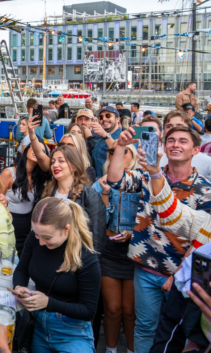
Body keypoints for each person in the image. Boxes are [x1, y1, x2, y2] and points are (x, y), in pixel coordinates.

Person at [109, 125, 211, 353]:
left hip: (184, 277)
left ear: (196, 150)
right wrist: (120, 147)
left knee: (181, 333)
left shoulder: (206, 190)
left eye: (183, 141)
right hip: (146, 269)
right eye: (171, 140)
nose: (176, 144)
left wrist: (176, 276)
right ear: (164, 147)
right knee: (145, 328)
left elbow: (205, 239)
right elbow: (115, 180)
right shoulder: (146, 176)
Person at [13, 198, 101, 353]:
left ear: (66, 229)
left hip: (72, 332)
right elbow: (22, 270)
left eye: (47, 238)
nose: (40, 242)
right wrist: (19, 287)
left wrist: (48, 303)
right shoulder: (36, 237)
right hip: (38, 326)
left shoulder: (86, 257)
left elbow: (88, 311)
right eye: (37, 234)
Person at [93, 143, 138, 353]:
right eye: (111, 152)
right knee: (112, 309)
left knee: (130, 311)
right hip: (109, 251)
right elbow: (99, 220)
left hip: (134, 253)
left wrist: (133, 231)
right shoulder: (99, 183)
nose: (116, 154)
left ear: (133, 154)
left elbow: (149, 218)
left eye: (122, 150)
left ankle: (131, 350)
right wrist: (105, 193)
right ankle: (110, 350)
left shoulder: (142, 181)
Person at [1, 116, 51, 255]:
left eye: (41, 150)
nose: (36, 151)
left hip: (28, 228)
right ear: (26, 150)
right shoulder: (9, 173)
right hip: (7, 223)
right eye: (34, 148)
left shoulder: (40, 178)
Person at [44, 145, 106, 255]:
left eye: (61, 161)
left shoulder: (88, 195)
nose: (55, 165)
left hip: (77, 256)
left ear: (74, 166)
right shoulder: (47, 192)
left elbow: (97, 237)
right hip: (49, 252)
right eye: (52, 162)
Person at [159, 110, 211, 178]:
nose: (174, 129)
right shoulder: (152, 156)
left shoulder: (206, 162)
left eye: (180, 126)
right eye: (169, 126)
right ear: (163, 131)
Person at [85, 106, 122, 178]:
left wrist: (105, 135)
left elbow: (122, 155)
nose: (104, 119)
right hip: (97, 184)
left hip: (114, 185)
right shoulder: (99, 140)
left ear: (118, 119)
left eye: (108, 115)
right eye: (101, 117)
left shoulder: (124, 137)